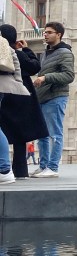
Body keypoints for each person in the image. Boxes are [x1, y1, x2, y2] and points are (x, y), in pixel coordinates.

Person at [0, 24, 49, 180]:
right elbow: (35, 66)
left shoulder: (3, 52)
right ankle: (20, 171)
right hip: (20, 96)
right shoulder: (18, 54)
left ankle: (4, 168)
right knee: (20, 136)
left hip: (4, 96)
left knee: (3, 131)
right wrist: (26, 49)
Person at [31, 21, 75, 179]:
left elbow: (69, 76)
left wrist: (45, 77)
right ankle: (43, 166)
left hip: (55, 97)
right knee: (42, 134)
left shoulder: (65, 53)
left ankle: (53, 167)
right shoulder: (47, 53)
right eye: (45, 32)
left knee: (55, 133)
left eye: (49, 32)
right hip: (43, 97)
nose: (45, 34)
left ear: (59, 35)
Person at [0, 41, 32, 184]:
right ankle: (4, 169)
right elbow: (16, 63)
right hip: (5, 84)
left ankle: (4, 169)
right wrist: (17, 83)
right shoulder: (4, 42)